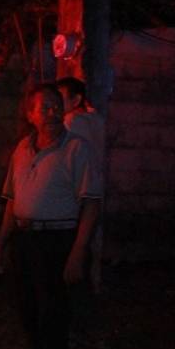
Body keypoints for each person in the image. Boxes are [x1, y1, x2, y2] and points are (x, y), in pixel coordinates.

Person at [0, 83, 103, 349]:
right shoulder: (22, 149)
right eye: (44, 107)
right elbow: (12, 201)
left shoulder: (77, 149)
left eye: (56, 106)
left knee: (53, 318)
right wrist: (0, 243)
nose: (52, 112)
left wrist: (78, 252)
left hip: (58, 241)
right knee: (29, 314)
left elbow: (91, 204)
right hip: (25, 240)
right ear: (30, 115)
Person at [57, 77, 106, 295]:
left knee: (73, 245)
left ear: (76, 99)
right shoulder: (96, 119)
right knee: (92, 241)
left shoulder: (70, 122)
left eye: (60, 99)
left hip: (74, 191)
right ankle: (93, 287)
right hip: (96, 187)